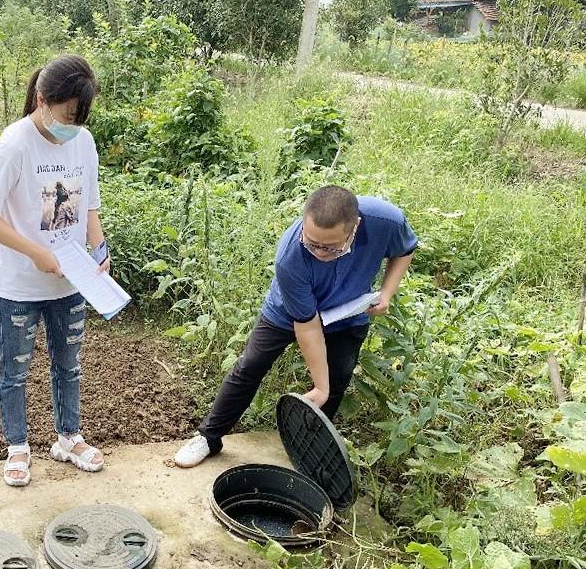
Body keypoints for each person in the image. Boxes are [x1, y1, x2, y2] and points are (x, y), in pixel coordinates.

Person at [174, 185, 418, 468]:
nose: (319, 253)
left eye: (330, 247)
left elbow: (405, 250)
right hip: (288, 314)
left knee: (337, 379)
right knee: (250, 366)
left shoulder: (387, 221)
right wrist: (319, 386)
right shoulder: (290, 257)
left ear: (356, 227)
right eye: (312, 243)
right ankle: (208, 437)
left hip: (348, 314)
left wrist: (387, 293)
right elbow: (308, 326)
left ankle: (309, 452)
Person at [0, 54, 110, 487]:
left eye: (80, 117)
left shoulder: (82, 142)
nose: (73, 125)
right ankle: (17, 446)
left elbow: (88, 203)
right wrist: (35, 252)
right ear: (42, 99)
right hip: (19, 285)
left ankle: (68, 437)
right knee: (14, 369)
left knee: (68, 365)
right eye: (68, 115)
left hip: (70, 279)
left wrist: (99, 246)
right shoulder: (13, 146)